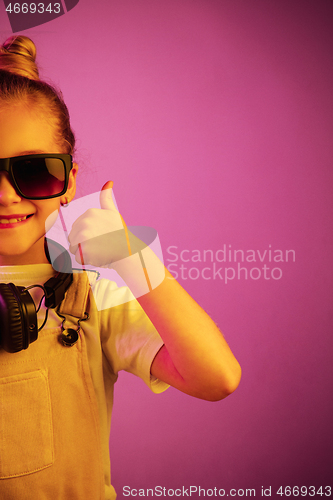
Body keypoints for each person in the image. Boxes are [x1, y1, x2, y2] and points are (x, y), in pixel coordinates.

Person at [0, 35, 241, 499]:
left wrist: (136, 262)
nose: (6, 194)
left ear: (69, 181)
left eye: (33, 170)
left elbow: (218, 378)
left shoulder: (91, 300)